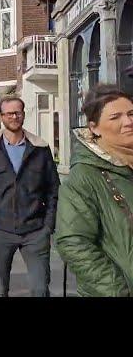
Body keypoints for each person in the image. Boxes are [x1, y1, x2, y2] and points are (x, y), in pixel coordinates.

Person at [0, 95, 59, 297]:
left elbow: (53, 190)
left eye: (18, 112)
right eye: (9, 113)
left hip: (35, 232)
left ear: (24, 114)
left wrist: (48, 225)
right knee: (0, 290)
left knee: (40, 289)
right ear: (1, 117)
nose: (14, 116)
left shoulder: (40, 149)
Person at [56, 84, 133, 296]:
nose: (128, 122)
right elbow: (73, 242)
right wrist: (118, 290)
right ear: (94, 128)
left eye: (131, 113)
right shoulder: (83, 178)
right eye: (115, 117)